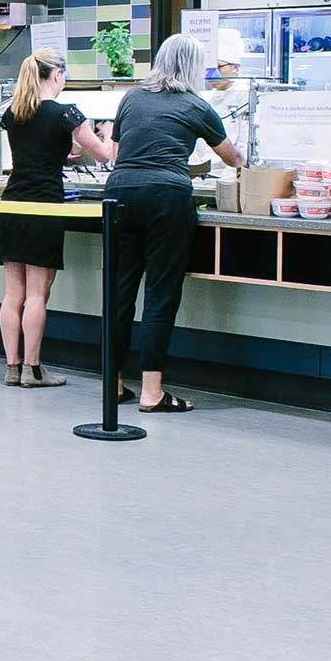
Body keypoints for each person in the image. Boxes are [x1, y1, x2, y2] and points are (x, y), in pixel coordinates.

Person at [104, 34, 244, 415]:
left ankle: (112, 385)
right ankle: (152, 391)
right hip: (166, 196)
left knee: (118, 292)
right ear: (195, 67)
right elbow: (232, 159)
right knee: (160, 294)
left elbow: (117, 152)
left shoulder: (132, 97)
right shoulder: (196, 105)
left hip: (119, 194)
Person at [0, 48, 116, 388]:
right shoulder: (67, 114)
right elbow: (104, 155)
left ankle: (12, 367)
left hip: (13, 203)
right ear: (58, 76)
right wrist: (106, 132)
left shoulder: (13, 113)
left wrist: (66, 150)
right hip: (45, 205)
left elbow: (34, 151)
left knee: (12, 293)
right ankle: (33, 370)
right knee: (37, 294)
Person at [192, 28, 252, 171]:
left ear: (235, 67)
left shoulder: (248, 98)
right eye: (207, 68)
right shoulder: (206, 98)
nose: (211, 74)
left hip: (231, 174)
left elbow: (245, 148)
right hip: (203, 174)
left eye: (217, 67)